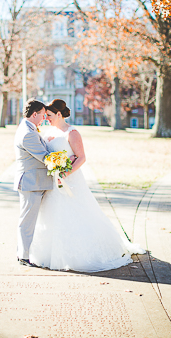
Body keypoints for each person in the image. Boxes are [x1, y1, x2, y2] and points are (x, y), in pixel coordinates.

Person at [28, 99, 145, 272]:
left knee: (75, 214)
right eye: (45, 116)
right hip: (51, 182)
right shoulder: (48, 132)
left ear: (59, 114)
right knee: (50, 214)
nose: (46, 119)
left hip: (70, 180)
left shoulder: (72, 132)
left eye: (50, 116)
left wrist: (65, 173)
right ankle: (48, 253)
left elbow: (81, 157)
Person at [13, 99, 54, 267]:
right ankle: (23, 256)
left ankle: (23, 253)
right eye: (43, 115)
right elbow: (44, 156)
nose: (44, 118)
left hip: (36, 182)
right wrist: (63, 161)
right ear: (35, 114)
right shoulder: (28, 133)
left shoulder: (29, 128)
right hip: (31, 183)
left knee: (28, 219)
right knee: (27, 221)